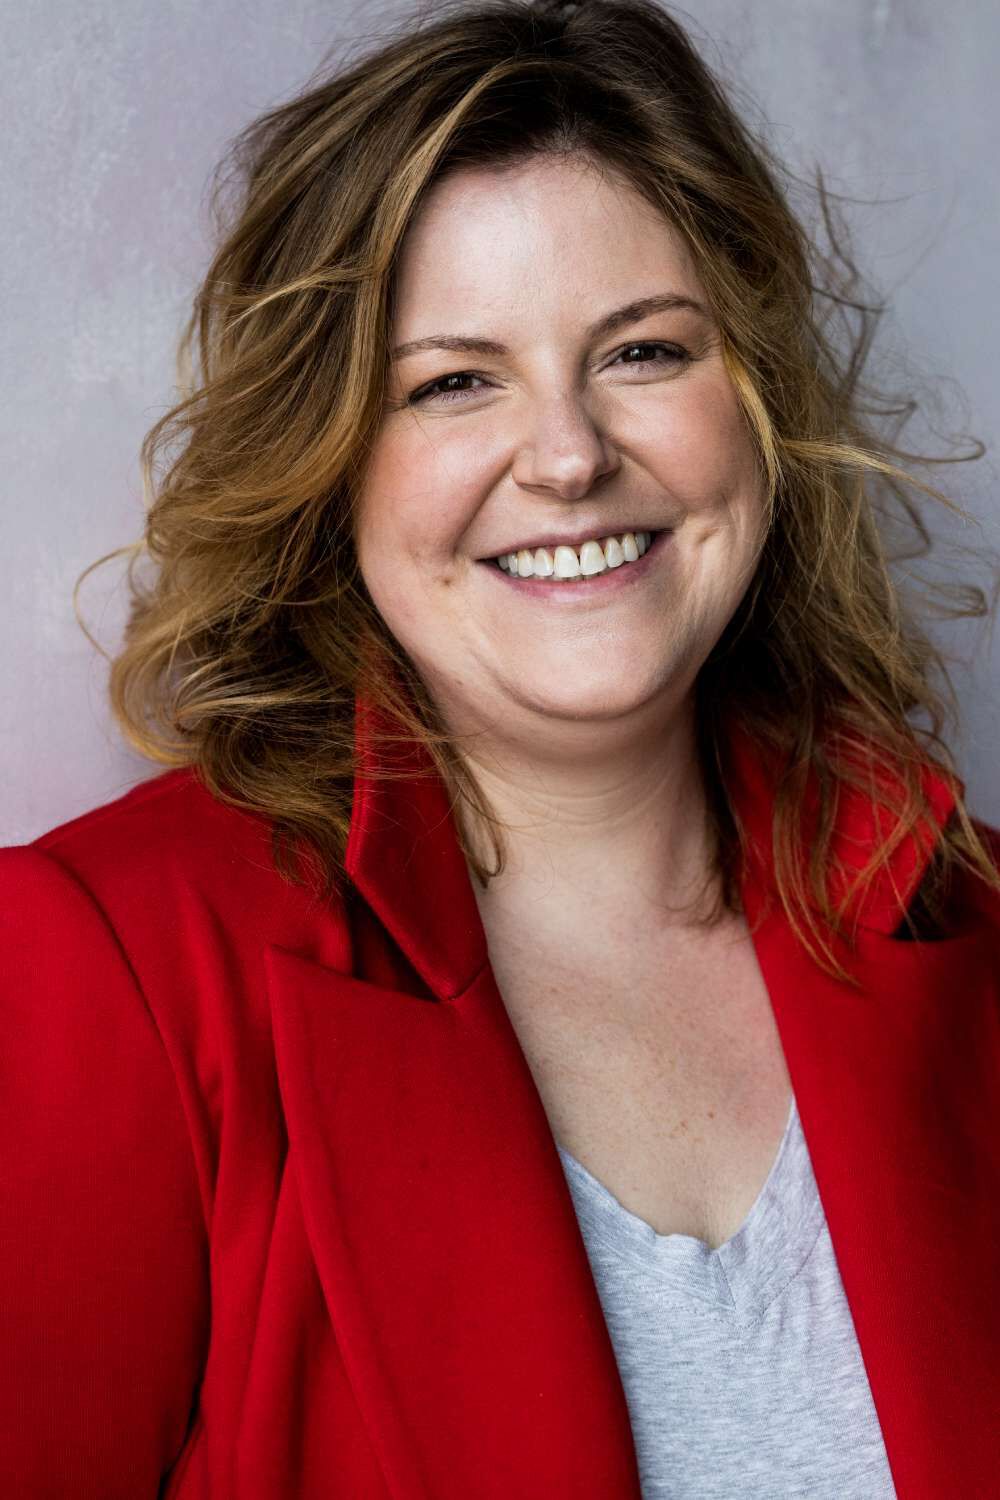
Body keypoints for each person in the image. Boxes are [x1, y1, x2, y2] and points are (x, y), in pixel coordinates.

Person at [2, 0, 998, 1495]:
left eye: (646, 352)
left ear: (760, 408)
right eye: (454, 381)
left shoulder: (968, 922)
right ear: (332, 460)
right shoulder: (115, 966)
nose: (571, 454)